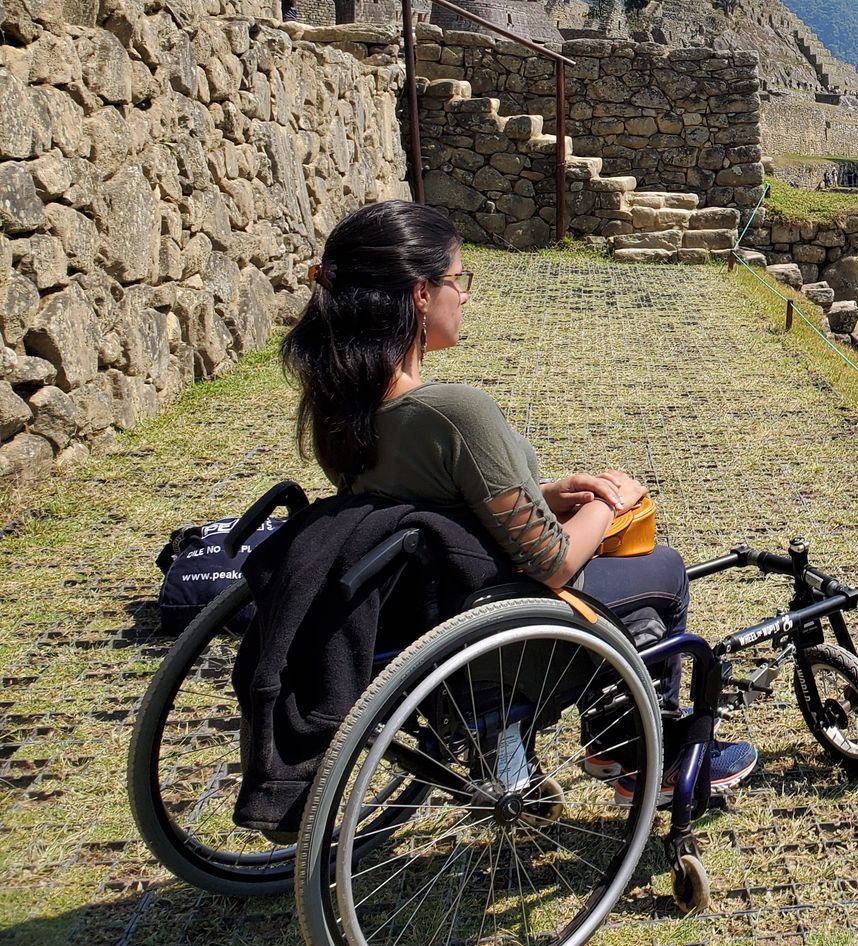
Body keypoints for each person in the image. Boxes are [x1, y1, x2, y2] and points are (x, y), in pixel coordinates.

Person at [280, 199, 756, 800]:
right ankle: (640, 752)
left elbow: (435, 505)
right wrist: (606, 503)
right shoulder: (454, 413)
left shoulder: (338, 408)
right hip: (494, 632)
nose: (466, 296)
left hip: (419, 616)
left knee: (624, 591)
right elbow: (553, 563)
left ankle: (582, 739)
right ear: (420, 295)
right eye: (459, 280)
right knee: (661, 571)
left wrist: (548, 493)